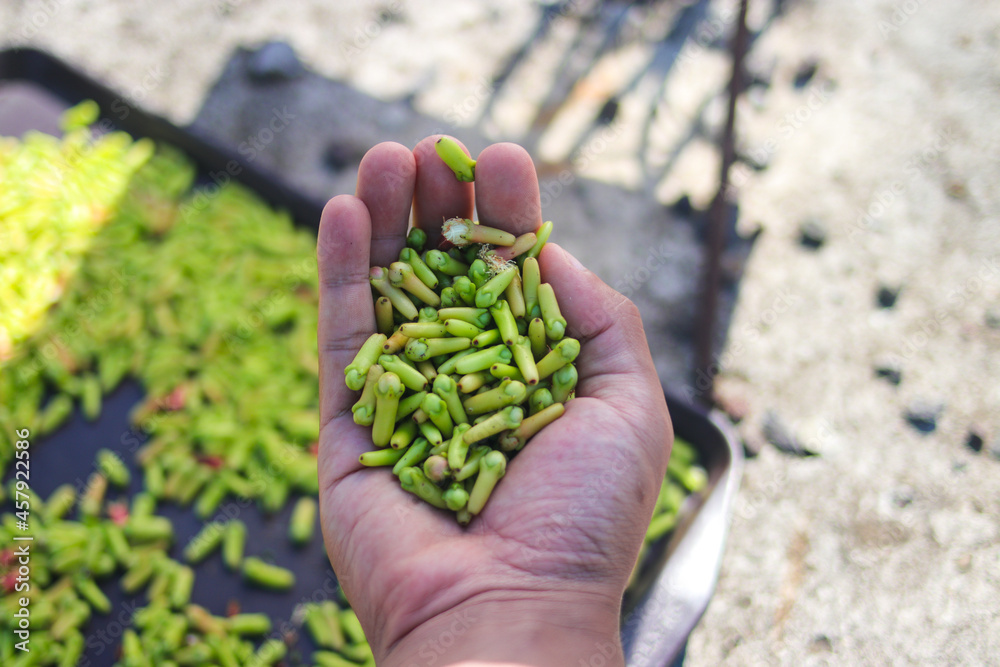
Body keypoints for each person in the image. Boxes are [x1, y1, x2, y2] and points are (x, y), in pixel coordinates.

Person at [316, 136, 673, 667]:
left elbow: (502, 292)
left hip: (474, 396)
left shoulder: (499, 294)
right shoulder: (487, 309)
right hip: (462, 393)